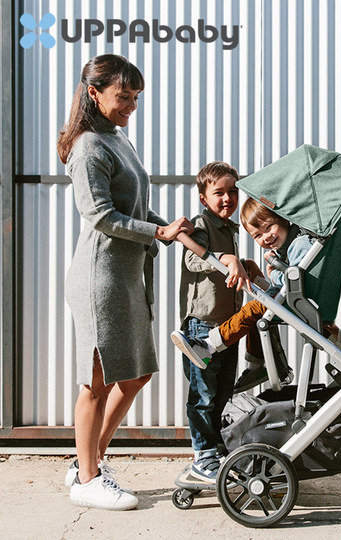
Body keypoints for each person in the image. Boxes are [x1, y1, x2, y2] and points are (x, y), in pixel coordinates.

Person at [57, 54, 193, 511]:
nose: (131, 106)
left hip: (126, 276)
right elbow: (99, 215)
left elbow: (131, 208)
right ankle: (87, 479)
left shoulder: (117, 138)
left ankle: (89, 460)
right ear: (94, 93)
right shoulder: (87, 147)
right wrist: (157, 232)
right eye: (124, 96)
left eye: (136, 97)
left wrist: (170, 229)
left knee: (136, 375)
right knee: (95, 382)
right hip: (101, 279)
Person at [170, 162, 261, 483]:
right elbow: (193, 258)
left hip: (227, 327)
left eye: (233, 192)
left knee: (222, 393)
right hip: (202, 327)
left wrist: (245, 263)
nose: (227, 199)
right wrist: (226, 258)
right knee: (204, 396)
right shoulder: (201, 224)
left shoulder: (230, 228)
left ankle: (218, 450)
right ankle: (203, 455)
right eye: (219, 193)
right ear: (203, 198)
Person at [172, 197, 312, 393]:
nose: (266, 237)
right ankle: (257, 365)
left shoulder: (300, 244)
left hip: (299, 300)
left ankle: (208, 346)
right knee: (260, 312)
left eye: (269, 227)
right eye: (258, 235)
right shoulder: (288, 245)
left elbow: (294, 279)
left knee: (253, 309)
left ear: (283, 218)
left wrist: (274, 273)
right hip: (292, 298)